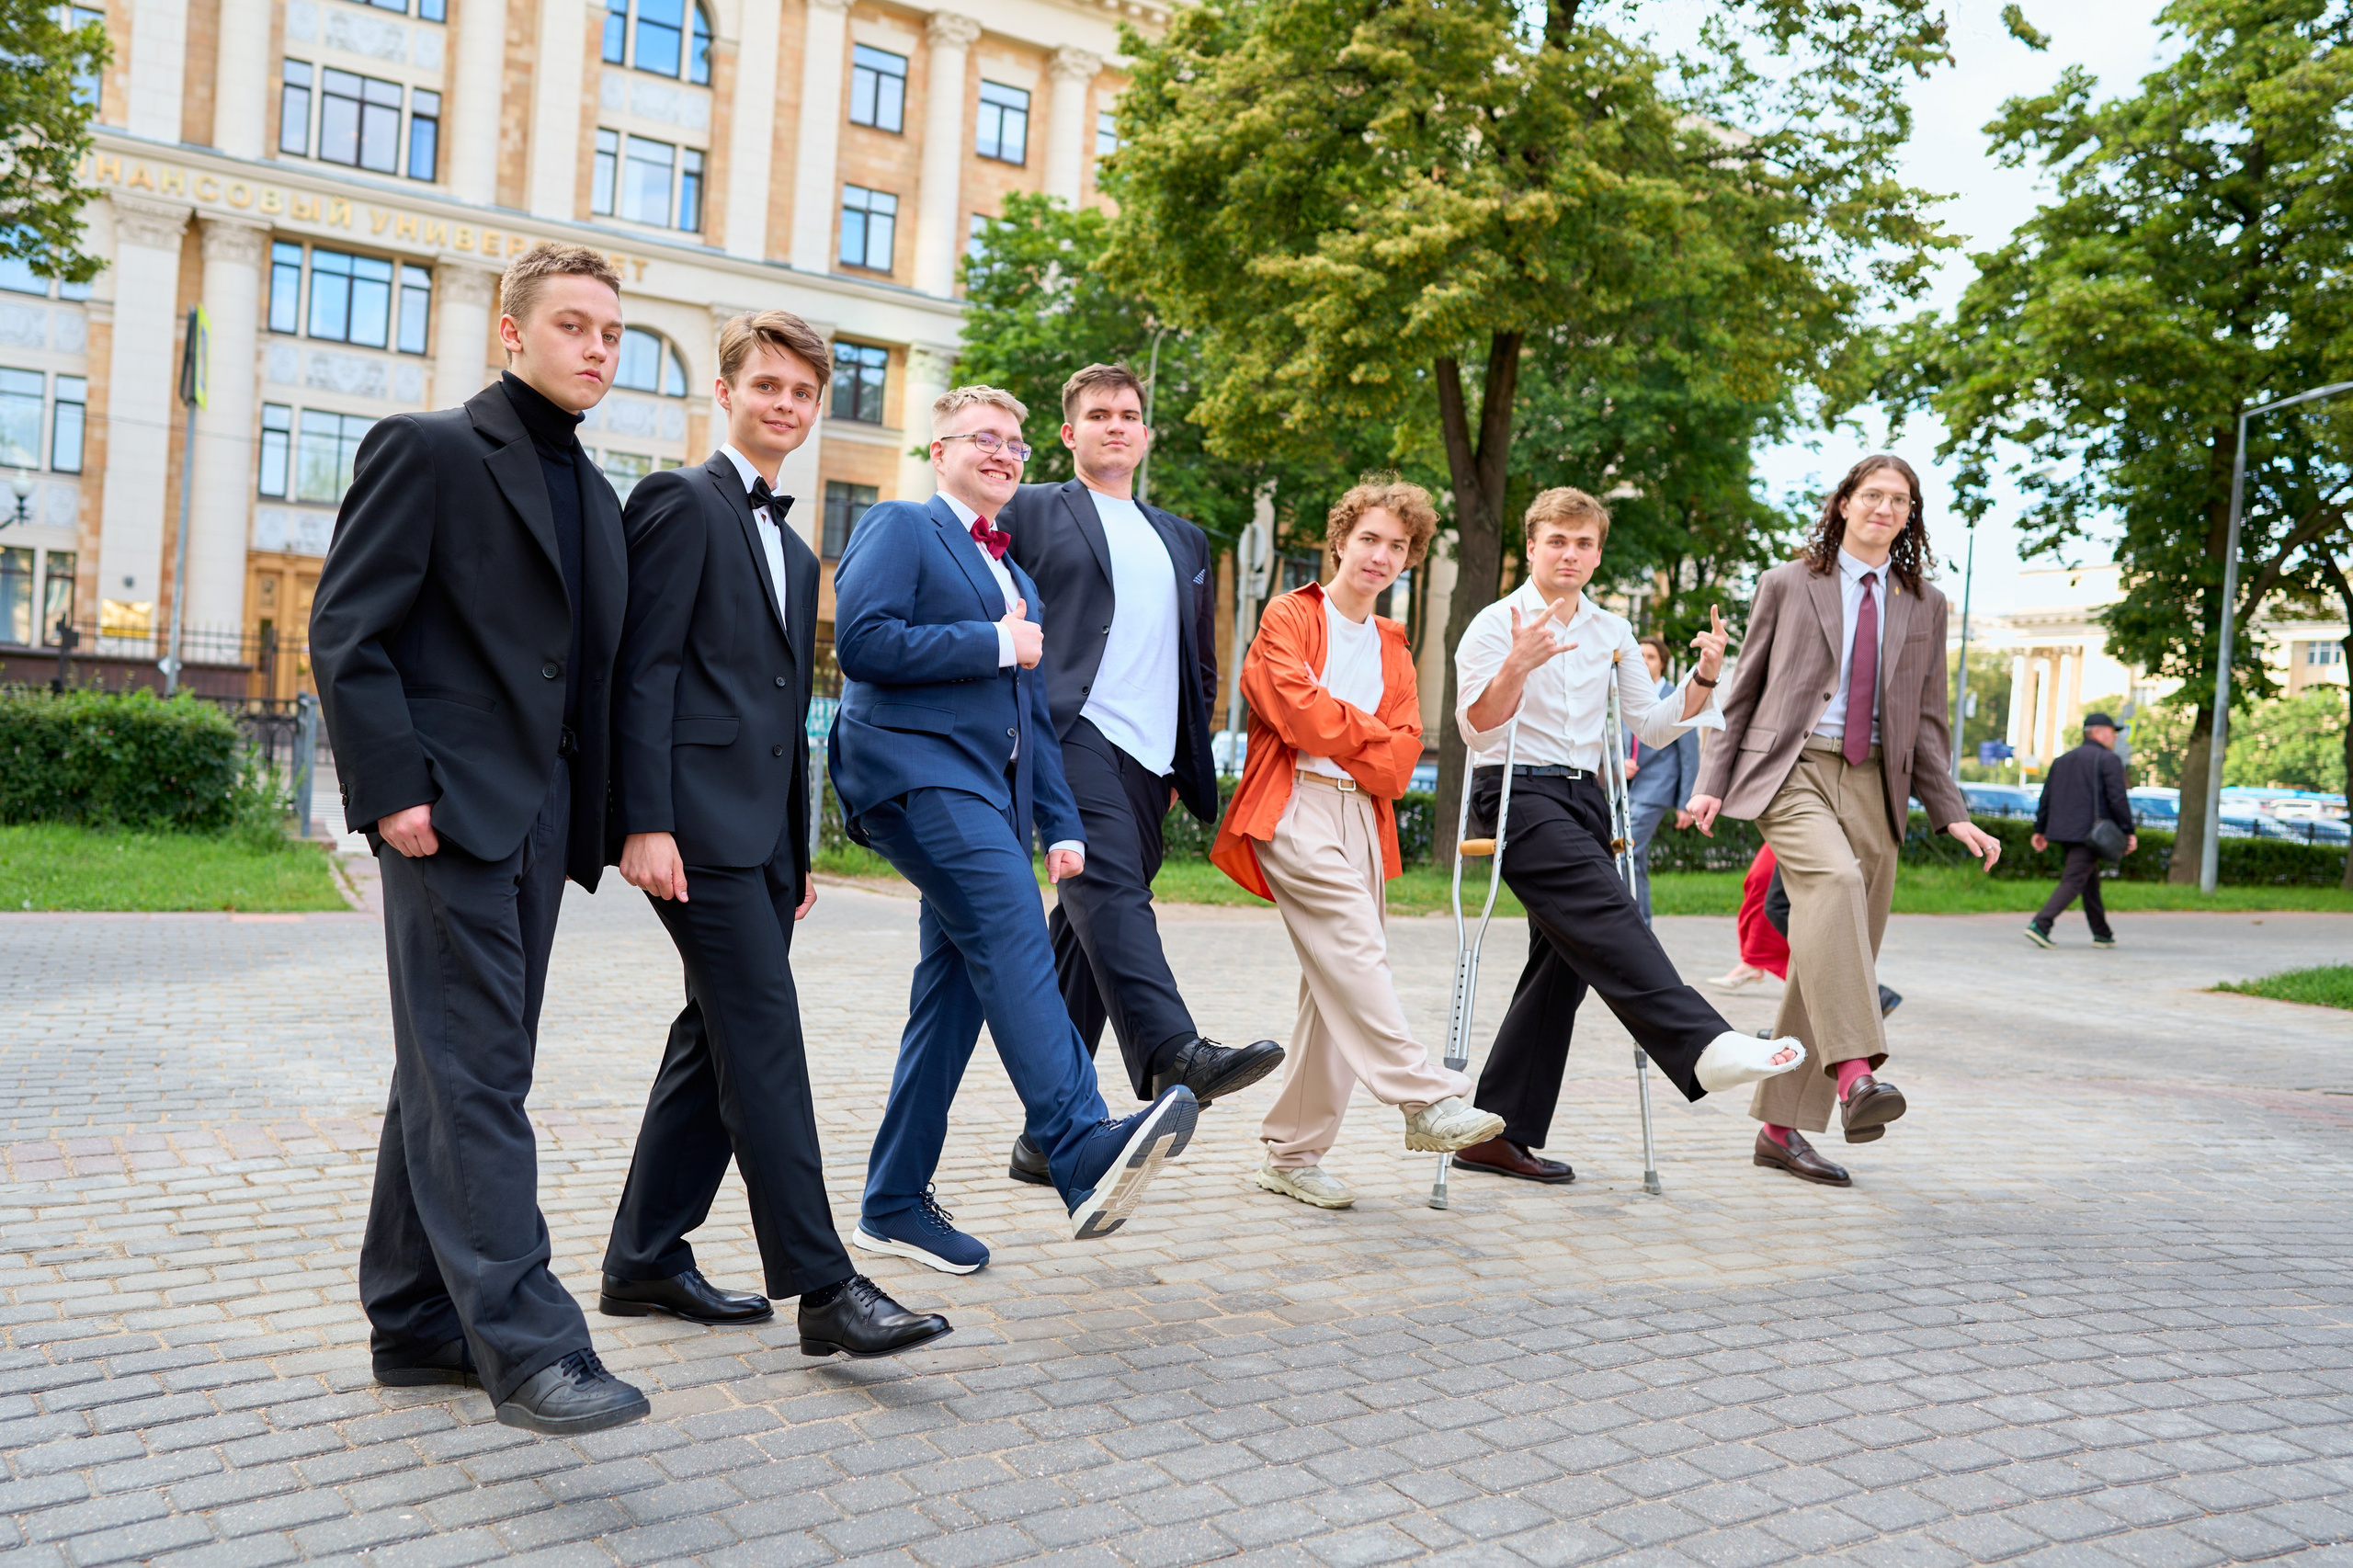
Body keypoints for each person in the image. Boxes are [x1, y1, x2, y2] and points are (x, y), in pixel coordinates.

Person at [310, 244, 647, 1433]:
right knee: (480, 1072)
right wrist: (392, 783)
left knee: (450, 1066)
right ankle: (532, 1344)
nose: (597, 347)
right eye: (573, 325)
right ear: (512, 333)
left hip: (541, 824)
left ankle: (413, 1322)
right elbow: (349, 626)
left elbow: (597, 679)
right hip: (445, 814)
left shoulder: (600, 497)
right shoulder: (432, 447)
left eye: (612, 331)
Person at [597, 310, 949, 1360]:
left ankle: (644, 1255)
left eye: (803, 393)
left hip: (760, 845)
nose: (786, 406)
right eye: (768, 387)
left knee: (712, 1039)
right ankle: (825, 1286)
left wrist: (796, 853)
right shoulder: (677, 501)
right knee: (764, 1038)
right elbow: (643, 670)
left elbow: (794, 714)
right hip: (690, 833)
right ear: (728, 393)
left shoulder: (797, 551)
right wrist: (644, 820)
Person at [830, 384, 1199, 1273]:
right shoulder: (903, 527)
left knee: (951, 997)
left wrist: (1061, 823)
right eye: (982, 439)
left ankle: (892, 1201)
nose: (1001, 454)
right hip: (913, 775)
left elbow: (1032, 714)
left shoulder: (1017, 575)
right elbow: (864, 643)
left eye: (1014, 445)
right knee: (1012, 937)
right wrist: (993, 643)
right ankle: (1077, 1145)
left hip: (985, 795)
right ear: (939, 449)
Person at [1450, 487, 1807, 1187]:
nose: (1571, 554)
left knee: (1563, 968)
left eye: (1584, 544)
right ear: (1532, 546)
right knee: (1612, 919)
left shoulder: (1613, 631)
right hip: (1518, 792)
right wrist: (1518, 662)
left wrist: (1704, 677)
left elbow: (1651, 724)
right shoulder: (1496, 624)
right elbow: (1476, 728)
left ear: (1598, 553)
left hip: (1585, 797)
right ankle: (1703, 1043)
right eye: (1558, 541)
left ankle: (1496, 1132)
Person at [999, 363, 1283, 1187]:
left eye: (1128, 414)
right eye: (1097, 415)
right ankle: (1173, 1052)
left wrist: (1180, 751)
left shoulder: (1184, 538)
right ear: (1069, 433)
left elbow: (1197, 655)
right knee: (1114, 894)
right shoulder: (1030, 511)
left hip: (1148, 755)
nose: (1114, 426)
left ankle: (1047, 1134)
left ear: (1146, 433)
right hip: (1068, 731)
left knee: (1084, 935)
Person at [1688, 454, 2003, 1187]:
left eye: (1900, 500)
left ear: (1910, 515)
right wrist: (1712, 781)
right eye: (1872, 495)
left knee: (1833, 953)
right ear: (1843, 505)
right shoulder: (1789, 583)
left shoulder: (1925, 602)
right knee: (1832, 886)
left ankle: (1778, 1130)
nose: (1884, 509)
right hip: (1792, 768)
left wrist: (1951, 813)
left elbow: (1926, 721)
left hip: (1876, 781)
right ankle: (1858, 1074)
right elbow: (1746, 692)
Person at [1211, 477, 1506, 1210]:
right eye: (1369, 538)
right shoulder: (1288, 615)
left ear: (1408, 559)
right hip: (1292, 809)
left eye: (1397, 546)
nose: (1380, 555)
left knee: (1333, 987)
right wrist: (1358, 733)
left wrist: (1342, 728)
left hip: (1361, 818)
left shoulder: (1393, 645)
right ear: (1340, 539)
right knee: (1356, 950)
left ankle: (1292, 1154)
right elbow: (1291, 714)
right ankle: (1422, 1099)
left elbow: (1400, 760)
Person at [2025, 712, 2135, 949]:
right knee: (2074, 880)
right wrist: (2128, 831)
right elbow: (2117, 799)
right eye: (2111, 731)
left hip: (2063, 831)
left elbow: (2046, 797)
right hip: (2091, 834)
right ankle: (2041, 924)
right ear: (2097, 732)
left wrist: (2040, 829)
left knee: (2089, 881)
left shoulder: (2062, 760)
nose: (2114, 737)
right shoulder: (2108, 759)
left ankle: (2102, 933)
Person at [1625, 634, 1700, 924]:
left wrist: (1686, 802)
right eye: (1639, 655)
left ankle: (1623, 925)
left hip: (1657, 789)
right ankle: (1641, 924)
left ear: (1663, 664)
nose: (1643, 661)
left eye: (1650, 656)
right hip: (1629, 786)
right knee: (1637, 862)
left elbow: (1689, 753)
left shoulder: (1675, 697)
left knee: (1623, 852)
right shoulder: (1629, 694)